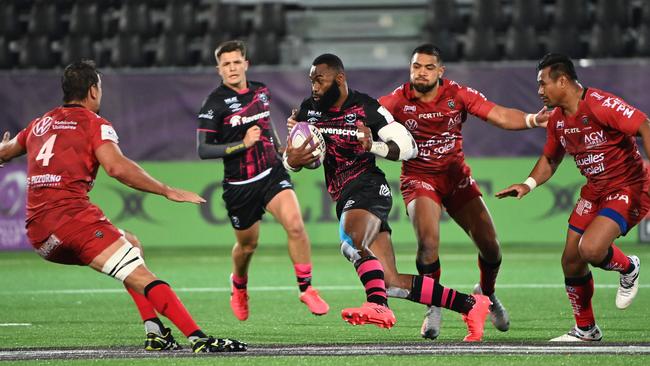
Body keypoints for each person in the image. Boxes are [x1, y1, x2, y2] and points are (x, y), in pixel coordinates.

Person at [0, 60, 246, 353]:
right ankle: (199, 339)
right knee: (142, 275)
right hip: (73, 223)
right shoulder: (95, 125)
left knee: (130, 244)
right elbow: (117, 168)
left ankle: (155, 332)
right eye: (100, 88)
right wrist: (166, 190)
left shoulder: (39, 123)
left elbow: (7, 150)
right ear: (93, 91)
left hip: (40, 236)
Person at [285, 53, 492, 342]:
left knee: (352, 240)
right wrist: (292, 159)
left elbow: (408, 147)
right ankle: (472, 305)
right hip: (344, 195)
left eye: (319, 80)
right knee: (390, 281)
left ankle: (378, 306)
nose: (314, 87)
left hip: (369, 188)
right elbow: (303, 158)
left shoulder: (366, 107)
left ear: (339, 79)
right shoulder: (310, 110)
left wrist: (374, 145)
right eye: (311, 81)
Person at [378, 44, 548, 340]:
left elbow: (498, 115)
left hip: (456, 179)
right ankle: (433, 305)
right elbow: (363, 116)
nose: (421, 72)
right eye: (417, 66)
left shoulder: (457, 94)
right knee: (428, 242)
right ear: (410, 69)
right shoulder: (396, 100)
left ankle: (487, 294)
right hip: (419, 179)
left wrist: (534, 119)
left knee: (491, 248)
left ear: (440, 72)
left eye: (429, 67)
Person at [496, 53, 647, 341]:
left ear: (562, 81)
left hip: (628, 185)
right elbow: (550, 159)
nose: (539, 91)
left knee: (589, 250)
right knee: (571, 261)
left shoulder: (600, 104)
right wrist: (527, 184)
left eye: (543, 84)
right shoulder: (557, 121)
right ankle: (586, 330)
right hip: (595, 189)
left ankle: (629, 266)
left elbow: (644, 126)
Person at [196, 40, 329, 321]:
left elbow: (267, 130)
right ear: (219, 70)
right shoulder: (214, 104)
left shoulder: (261, 92)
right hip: (240, 185)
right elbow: (203, 149)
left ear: (246, 64)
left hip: (271, 173)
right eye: (226, 64)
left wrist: (284, 149)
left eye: (236, 62)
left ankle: (306, 289)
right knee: (247, 246)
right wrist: (242, 145)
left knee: (295, 225)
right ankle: (239, 285)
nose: (232, 68)